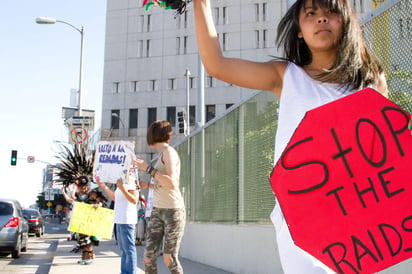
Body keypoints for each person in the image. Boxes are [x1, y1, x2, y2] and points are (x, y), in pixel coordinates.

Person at [192, 0, 391, 273]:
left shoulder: (372, 81)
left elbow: (384, 149)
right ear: (299, 30)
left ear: (346, 21)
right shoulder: (286, 76)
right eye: (311, 14)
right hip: (302, 221)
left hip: (357, 218)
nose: (321, 19)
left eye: (330, 12)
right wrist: (201, 3)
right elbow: (217, 65)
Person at [135, 120, 185, 274]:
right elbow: (162, 183)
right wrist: (148, 185)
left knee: (169, 258)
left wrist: (148, 169)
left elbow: (172, 183)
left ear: (153, 134)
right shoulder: (161, 155)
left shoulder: (169, 152)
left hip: (173, 211)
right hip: (158, 210)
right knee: (148, 257)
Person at [96, 171, 139, 274]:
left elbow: (134, 200)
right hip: (119, 219)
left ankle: (131, 272)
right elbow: (115, 197)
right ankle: (124, 271)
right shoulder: (120, 181)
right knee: (123, 250)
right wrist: (104, 186)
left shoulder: (131, 180)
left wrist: (122, 188)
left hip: (127, 220)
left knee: (129, 249)